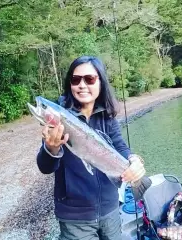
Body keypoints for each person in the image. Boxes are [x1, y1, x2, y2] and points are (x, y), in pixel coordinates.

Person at [37, 56, 146, 240]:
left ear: (100, 82)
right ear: (69, 84)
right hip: (75, 218)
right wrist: (51, 148)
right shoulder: (60, 119)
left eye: (89, 79)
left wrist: (134, 160)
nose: (81, 84)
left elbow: (120, 146)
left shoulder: (107, 117)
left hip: (111, 209)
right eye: (75, 79)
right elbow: (45, 167)